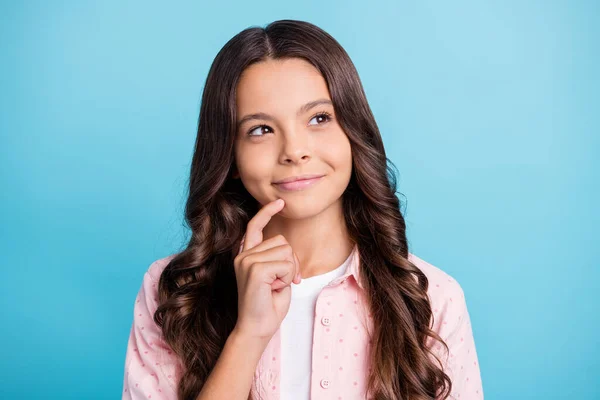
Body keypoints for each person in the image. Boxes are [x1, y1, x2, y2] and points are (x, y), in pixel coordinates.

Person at [121, 19, 483, 400]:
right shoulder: (174, 292)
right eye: (260, 129)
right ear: (230, 155)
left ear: (354, 131)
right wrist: (249, 335)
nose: (294, 150)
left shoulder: (433, 297)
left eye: (319, 118)